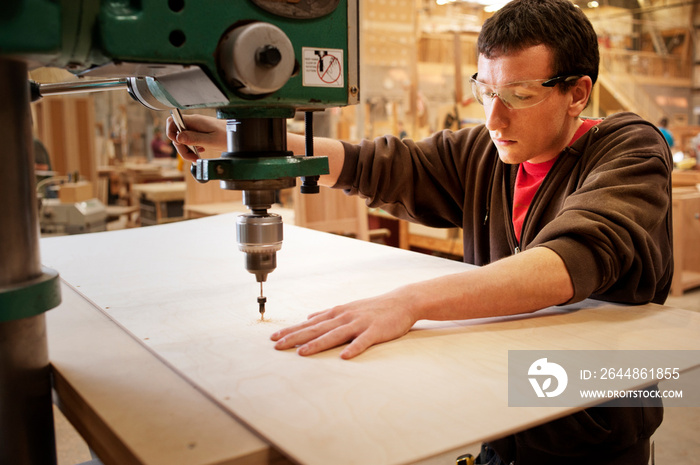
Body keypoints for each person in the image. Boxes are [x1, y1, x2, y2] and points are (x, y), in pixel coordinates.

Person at [167, 0, 672, 463]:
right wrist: (257, 142)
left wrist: (408, 302)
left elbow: (568, 260)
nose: (494, 117)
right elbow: (382, 165)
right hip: (505, 418)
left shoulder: (631, 150)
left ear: (577, 93)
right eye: (487, 92)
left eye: (519, 95)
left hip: (594, 436)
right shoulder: (485, 152)